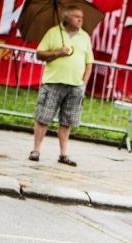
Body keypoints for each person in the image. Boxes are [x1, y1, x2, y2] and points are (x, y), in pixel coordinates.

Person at [29, 7, 94, 167]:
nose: (80, 20)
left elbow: (89, 64)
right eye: (76, 17)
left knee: (67, 121)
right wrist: (58, 52)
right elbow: (39, 54)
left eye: (81, 17)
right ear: (67, 18)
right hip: (53, 82)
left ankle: (63, 154)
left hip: (75, 85)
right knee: (43, 117)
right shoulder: (53, 32)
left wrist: (83, 84)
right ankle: (36, 150)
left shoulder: (85, 36)